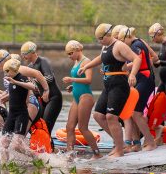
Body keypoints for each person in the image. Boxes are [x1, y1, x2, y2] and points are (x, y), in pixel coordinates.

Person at [78, 23, 141, 158]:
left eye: (101, 38)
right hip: (108, 85)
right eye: (98, 39)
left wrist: (132, 74)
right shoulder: (105, 46)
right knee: (98, 115)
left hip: (119, 84)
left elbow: (136, 59)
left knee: (111, 117)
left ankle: (119, 150)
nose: (99, 41)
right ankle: (120, 144)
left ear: (108, 35)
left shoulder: (119, 45)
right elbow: (101, 58)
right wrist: (86, 66)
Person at [114, 26, 157, 152]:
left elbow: (138, 59)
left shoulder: (135, 45)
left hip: (145, 79)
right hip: (143, 79)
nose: (123, 44)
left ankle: (150, 142)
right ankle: (137, 143)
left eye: (123, 41)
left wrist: (127, 70)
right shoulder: (138, 42)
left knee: (136, 113)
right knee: (131, 112)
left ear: (127, 37)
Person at [0, 58, 47, 163]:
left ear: (13, 70)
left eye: (7, 71)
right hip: (11, 116)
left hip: (21, 115)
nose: (5, 73)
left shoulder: (21, 77)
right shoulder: (11, 81)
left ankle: (38, 158)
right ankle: (4, 166)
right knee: (3, 144)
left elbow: (32, 86)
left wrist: (15, 81)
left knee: (16, 145)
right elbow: (12, 95)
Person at [60, 40, 101, 158]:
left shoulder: (86, 61)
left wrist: (72, 80)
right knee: (69, 127)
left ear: (78, 50)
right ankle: (70, 155)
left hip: (85, 97)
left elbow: (88, 80)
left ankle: (97, 154)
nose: (69, 56)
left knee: (83, 128)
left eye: (71, 53)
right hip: (76, 97)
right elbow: (79, 80)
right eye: (68, 54)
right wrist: (73, 86)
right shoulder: (76, 62)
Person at [20, 41, 64, 134]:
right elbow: (33, 86)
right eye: (22, 54)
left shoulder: (42, 61)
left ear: (33, 52)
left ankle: (49, 147)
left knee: (46, 126)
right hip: (42, 99)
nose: (23, 56)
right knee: (37, 125)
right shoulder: (30, 66)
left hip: (53, 97)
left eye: (25, 54)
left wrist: (36, 79)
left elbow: (49, 77)